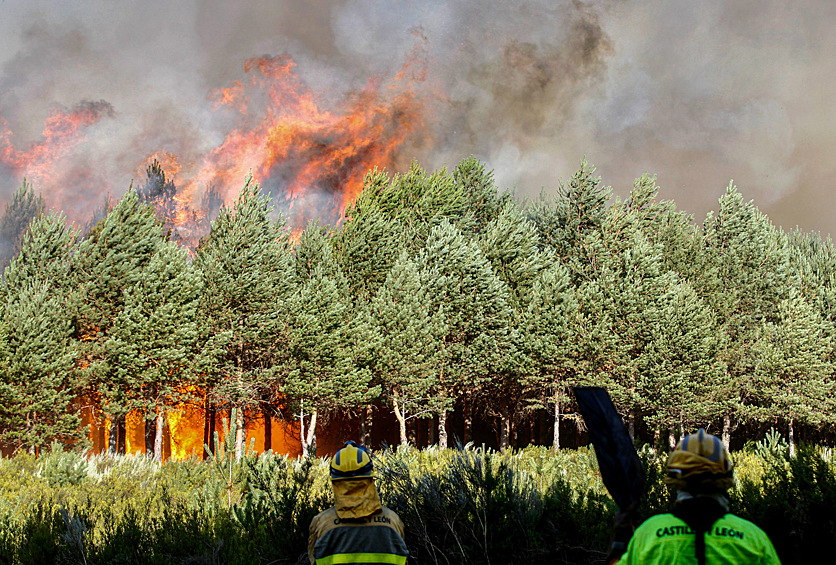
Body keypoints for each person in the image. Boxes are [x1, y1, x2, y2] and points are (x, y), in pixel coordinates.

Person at [610, 429, 781, 565]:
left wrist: (619, 545)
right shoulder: (752, 537)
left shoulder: (649, 534)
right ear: (726, 476)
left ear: (673, 477)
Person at [308, 441, 409, 565]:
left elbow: (313, 560)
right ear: (371, 476)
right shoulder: (392, 521)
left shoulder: (322, 523)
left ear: (334, 480)